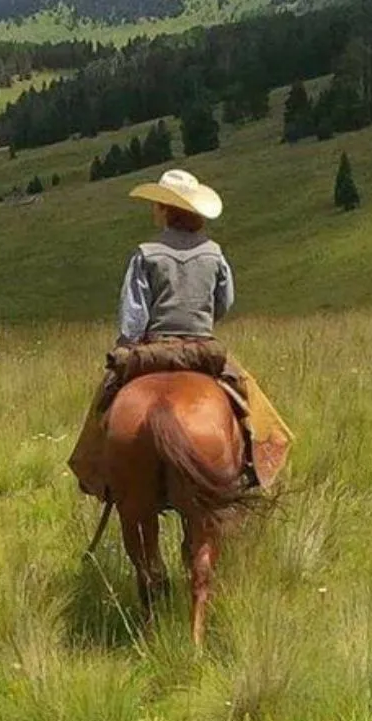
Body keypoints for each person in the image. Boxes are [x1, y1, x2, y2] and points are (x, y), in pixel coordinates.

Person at [66, 170, 291, 497]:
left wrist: (128, 349)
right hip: (203, 349)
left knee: (104, 402)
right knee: (250, 397)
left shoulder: (146, 253)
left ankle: (96, 472)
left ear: (163, 208)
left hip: (152, 348)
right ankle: (255, 466)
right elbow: (223, 303)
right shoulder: (214, 253)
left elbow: (133, 318)